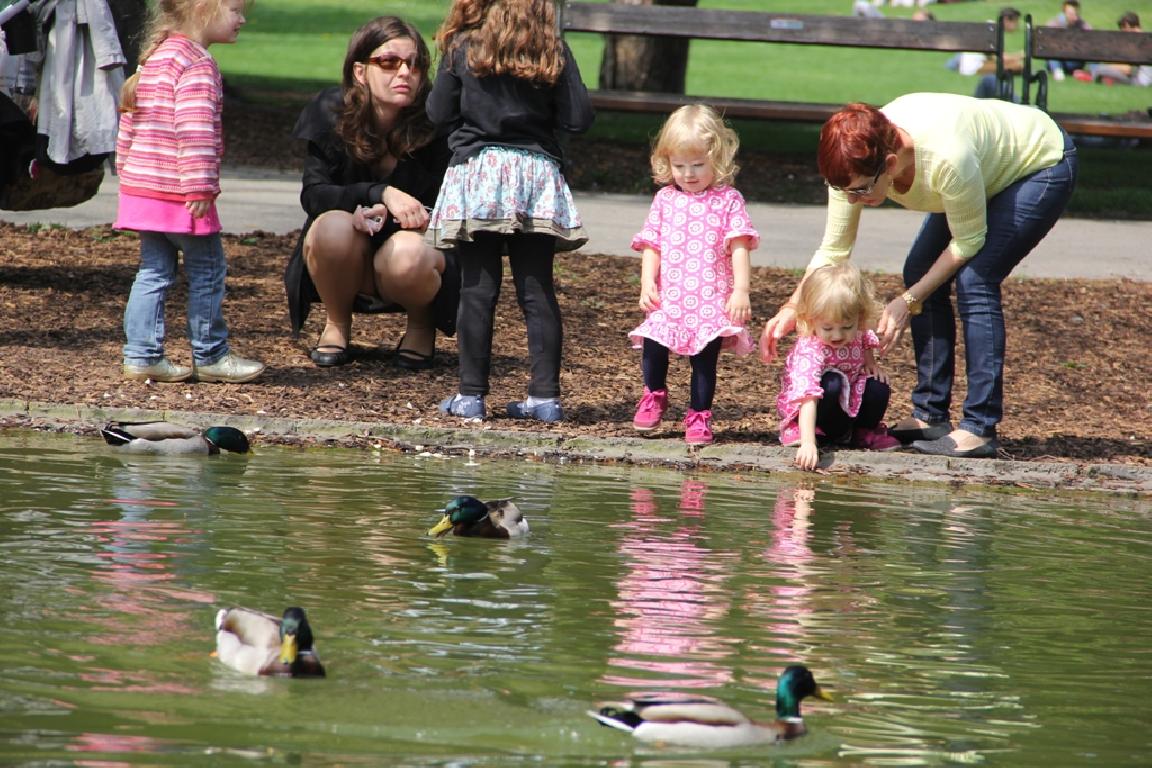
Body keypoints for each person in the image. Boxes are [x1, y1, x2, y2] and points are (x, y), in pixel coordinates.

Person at [759, 94, 1078, 459]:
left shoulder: (947, 160)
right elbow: (833, 250)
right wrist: (791, 306)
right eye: (845, 191)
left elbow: (969, 241)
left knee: (976, 281)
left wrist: (908, 300)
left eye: (861, 190)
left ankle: (979, 427)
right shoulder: (853, 163)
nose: (852, 200)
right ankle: (930, 415)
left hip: (1038, 163)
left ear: (891, 163)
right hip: (982, 170)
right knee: (918, 271)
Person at [428, 0, 594, 422]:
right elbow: (578, 118)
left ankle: (471, 396)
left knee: (477, 289)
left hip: (479, 172)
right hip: (536, 174)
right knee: (537, 289)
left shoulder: (464, 47)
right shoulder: (552, 49)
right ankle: (545, 398)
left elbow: (437, 113)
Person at [284, 16, 457, 370]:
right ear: (360, 71)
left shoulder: (439, 124)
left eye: (415, 64)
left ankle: (422, 325)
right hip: (347, 255)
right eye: (389, 62)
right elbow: (314, 196)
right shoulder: (330, 111)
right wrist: (375, 195)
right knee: (332, 227)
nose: (404, 73)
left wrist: (398, 215)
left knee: (409, 253)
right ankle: (337, 323)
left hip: (411, 259)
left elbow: (452, 204)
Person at [115, 0, 265, 384]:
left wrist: (128, 176)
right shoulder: (197, 64)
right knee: (208, 271)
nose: (242, 19)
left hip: (146, 190)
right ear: (203, 9)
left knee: (153, 272)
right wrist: (199, 186)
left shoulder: (158, 56)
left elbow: (129, 120)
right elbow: (194, 130)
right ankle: (211, 355)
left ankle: (142, 354)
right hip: (182, 194)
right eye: (234, 10)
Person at [627, 104, 757, 446]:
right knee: (654, 344)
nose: (688, 173)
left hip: (711, 297)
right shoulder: (665, 200)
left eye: (698, 164)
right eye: (679, 165)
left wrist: (741, 290)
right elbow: (651, 245)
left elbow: (740, 245)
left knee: (703, 361)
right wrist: (646, 284)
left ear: (717, 158)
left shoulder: (728, 200)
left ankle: (699, 414)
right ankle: (654, 393)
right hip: (669, 296)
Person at [776, 263, 901, 471]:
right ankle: (811, 431)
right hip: (812, 410)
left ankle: (861, 432)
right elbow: (808, 397)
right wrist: (808, 443)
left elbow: (865, 341)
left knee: (878, 385)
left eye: (846, 327)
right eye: (828, 328)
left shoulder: (858, 331)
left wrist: (871, 363)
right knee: (831, 383)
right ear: (810, 319)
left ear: (859, 318)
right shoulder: (811, 349)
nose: (837, 335)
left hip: (847, 404)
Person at [1089, 13, 1152, 86]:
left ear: (1134, 27)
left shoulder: (1142, 44)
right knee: (1100, 70)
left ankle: (1094, 77)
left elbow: (1129, 70)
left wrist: (1106, 67)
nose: (1124, 35)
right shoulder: (1141, 41)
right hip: (1136, 78)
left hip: (1139, 81)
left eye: (1125, 30)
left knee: (1098, 70)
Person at [1046, 0, 1092, 80]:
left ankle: (1094, 74)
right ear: (1064, 13)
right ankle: (1057, 71)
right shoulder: (1055, 23)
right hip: (1058, 61)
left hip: (1075, 61)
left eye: (1075, 13)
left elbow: (1092, 39)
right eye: (1070, 13)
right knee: (1052, 51)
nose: (1073, 16)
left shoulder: (1082, 25)